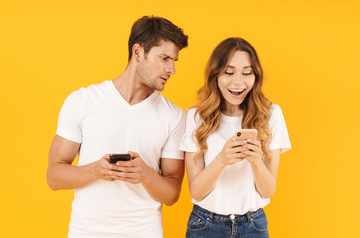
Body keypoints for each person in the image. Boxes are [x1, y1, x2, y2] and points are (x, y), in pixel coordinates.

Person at [46, 16, 188, 238]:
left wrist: (147, 175)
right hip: (86, 233)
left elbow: (172, 194)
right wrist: (96, 170)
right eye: (164, 58)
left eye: (174, 61)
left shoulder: (174, 116)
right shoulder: (83, 100)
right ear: (138, 52)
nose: (172, 69)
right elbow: (54, 177)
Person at [180, 37, 291, 238]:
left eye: (247, 73)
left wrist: (256, 161)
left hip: (253, 225)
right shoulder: (197, 117)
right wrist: (222, 159)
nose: (238, 82)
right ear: (215, 75)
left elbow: (267, 191)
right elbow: (196, 191)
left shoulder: (271, 115)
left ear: (255, 77)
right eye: (228, 73)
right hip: (205, 225)